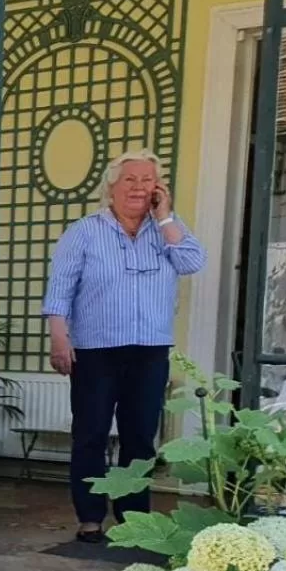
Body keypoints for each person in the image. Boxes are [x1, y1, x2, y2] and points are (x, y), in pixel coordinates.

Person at [41, 150, 207, 543]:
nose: (139, 186)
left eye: (148, 179)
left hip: (149, 350)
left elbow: (192, 262)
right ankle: (91, 517)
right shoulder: (84, 230)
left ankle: (133, 519)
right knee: (91, 434)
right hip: (95, 350)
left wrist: (165, 217)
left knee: (140, 436)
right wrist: (59, 337)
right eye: (130, 179)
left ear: (158, 187)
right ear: (111, 187)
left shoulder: (168, 229)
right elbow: (60, 288)